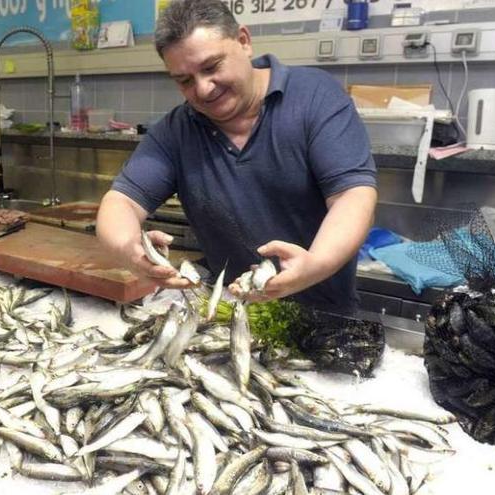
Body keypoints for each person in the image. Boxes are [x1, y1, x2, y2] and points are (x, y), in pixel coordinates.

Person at [96, 0, 377, 315]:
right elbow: (120, 203)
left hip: (323, 315)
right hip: (232, 311)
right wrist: (130, 251)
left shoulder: (315, 97)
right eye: (184, 80)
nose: (202, 89)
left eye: (212, 66)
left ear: (243, 41)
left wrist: (315, 264)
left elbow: (352, 196)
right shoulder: (176, 131)